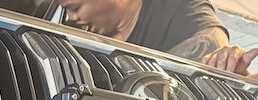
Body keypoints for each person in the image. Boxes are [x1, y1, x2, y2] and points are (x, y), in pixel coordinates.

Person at [56, 0, 229, 62]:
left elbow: (213, 40)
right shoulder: (75, 33)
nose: (71, 17)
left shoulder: (173, 5)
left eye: (76, 8)